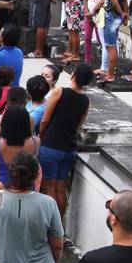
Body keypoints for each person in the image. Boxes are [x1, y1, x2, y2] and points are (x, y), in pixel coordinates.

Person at [39, 63, 91, 221]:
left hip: (50, 146)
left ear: (73, 74)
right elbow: (77, 127)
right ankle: (59, 226)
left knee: (49, 189)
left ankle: (51, 226)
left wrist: (41, 135)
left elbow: (44, 120)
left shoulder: (59, 92)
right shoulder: (86, 100)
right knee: (61, 188)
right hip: (69, 148)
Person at [94, 0, 129, 83]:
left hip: (111, 16)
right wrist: (125, 15)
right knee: (111, 45)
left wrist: (121, 13)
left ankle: (109, 74)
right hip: (117, 16)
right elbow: (124, 0)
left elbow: (114, 2)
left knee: (110, 46)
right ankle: (109, 72)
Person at [0, 104, 41, 188]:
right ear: (26, 122)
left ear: (5, 122)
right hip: (27, 189)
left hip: (3, 189)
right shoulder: (36, 141)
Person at [85, 0, 106, 66]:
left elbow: (104, 2)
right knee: (87, 37)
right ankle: (87, 60)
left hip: (99, 15)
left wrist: (93, 13)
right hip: (89, 14)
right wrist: (87, 11)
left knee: (100, 39)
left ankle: (104, 61)